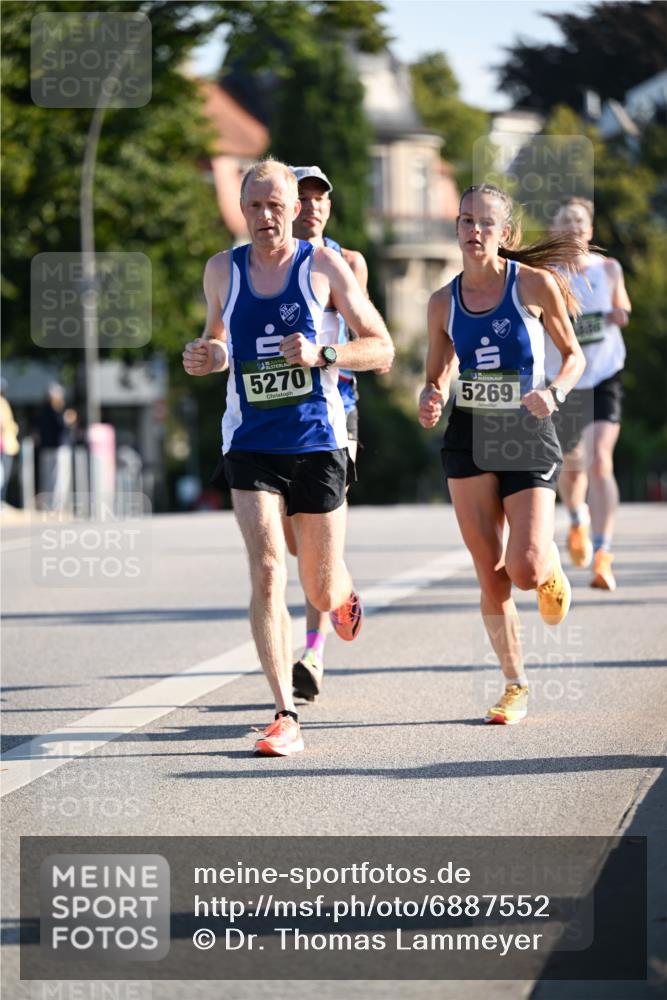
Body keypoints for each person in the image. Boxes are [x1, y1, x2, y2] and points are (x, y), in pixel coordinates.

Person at [183, 158, 394, 756]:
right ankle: (284, 712)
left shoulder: (325, 265)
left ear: (296, 209)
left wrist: (324, 354)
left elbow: (381, 347)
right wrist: (208, 357)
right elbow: (221, 342)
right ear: (244, 208)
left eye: (276, 206)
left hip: (317, 441)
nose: (265, 217)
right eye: (255, 206)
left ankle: (342, 595)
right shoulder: (222, 269)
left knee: (320, 586)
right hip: (249, 440)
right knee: (268, 568)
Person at [419, 183, 585, 725]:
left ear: (505, 234)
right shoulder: (442, 301)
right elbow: (437, 371)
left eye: (486, 223)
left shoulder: (533, 285)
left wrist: (554, 392)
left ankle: (547, 563)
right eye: (466, 220)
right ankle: (515, 684)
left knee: (523, 567)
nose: (474, 231)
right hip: (469, 433)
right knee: (490, 574)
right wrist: (432, 395)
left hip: (526, 429)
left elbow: (573, 357)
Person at [284, 165, 369, 704]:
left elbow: (368, 333)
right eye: (304, 197)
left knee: (319, 521)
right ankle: (337, 579)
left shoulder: (347, 261)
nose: (313, 206)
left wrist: (323, 342)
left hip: (338, 408)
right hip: (277, 416)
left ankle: (313, 653)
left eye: (321, 198)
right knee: (297, 543)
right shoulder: (260, 265)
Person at [546, 198, 631, 591]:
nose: (574, 227)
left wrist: (619, 314)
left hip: (604, 374)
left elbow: (622, 307)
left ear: (590, 231)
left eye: (580, 221)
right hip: (563, 378)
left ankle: (603, 551)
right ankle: (577, 518)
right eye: (566, 222)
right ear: (555, 232)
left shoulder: (609, 269)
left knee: (600, 460)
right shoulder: (546, 275)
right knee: (571, 464)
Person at [34, 384, 77, 512]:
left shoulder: (42, 411)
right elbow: (61, 428)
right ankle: (55, 506)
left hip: (46, 448)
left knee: (49, 478)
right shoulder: (56, 412)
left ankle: (50, 505)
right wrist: (69, 420)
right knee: (58, 479)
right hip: (57, 448)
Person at [0, 380, 20, 504]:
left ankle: (2, 500)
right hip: (4, 445)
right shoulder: (2, 403)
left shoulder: (4, 403)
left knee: (4, 476)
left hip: (7, 444)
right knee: (3, 476)